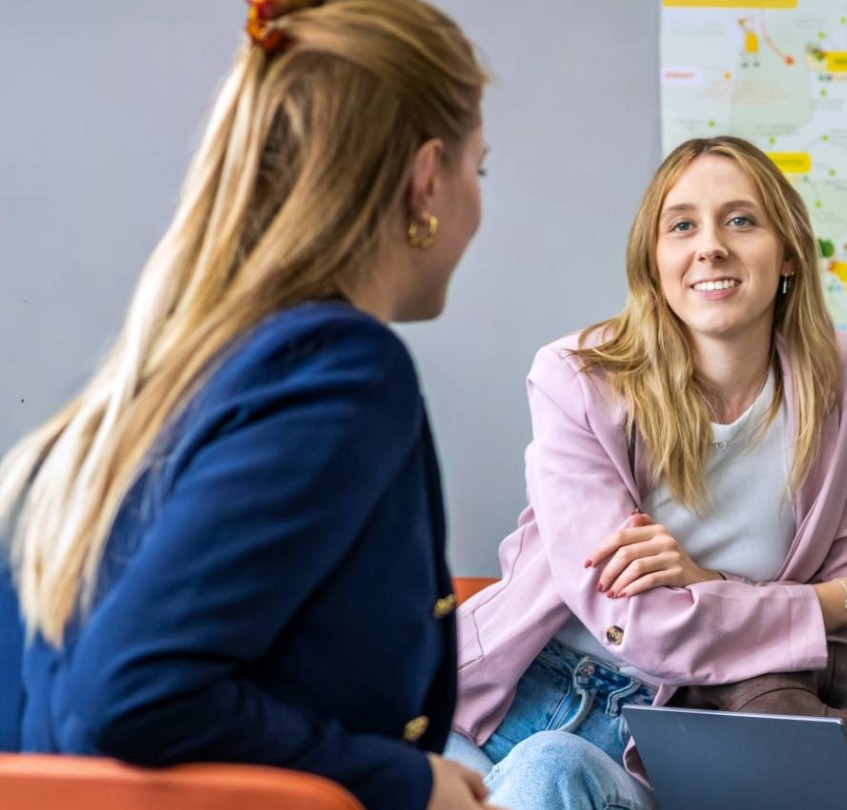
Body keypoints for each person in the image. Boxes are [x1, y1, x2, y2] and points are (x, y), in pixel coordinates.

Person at [0, 2, 491, 809]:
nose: (477, 199)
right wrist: (405, 780)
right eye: (482, 165)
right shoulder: (343, 370)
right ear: (427, 177)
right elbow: (134, 689)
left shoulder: (162, 372)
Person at [447, 136, 847, 810]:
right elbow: (637, 622)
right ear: (654, 262)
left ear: (788, 255)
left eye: (741, 220)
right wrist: (826, 600)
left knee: (551, 770)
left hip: (680, 734)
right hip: (508, 703)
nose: (710, 246)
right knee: (543, 766)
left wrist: (706, 583)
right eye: (682, 225)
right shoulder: (577, 378)